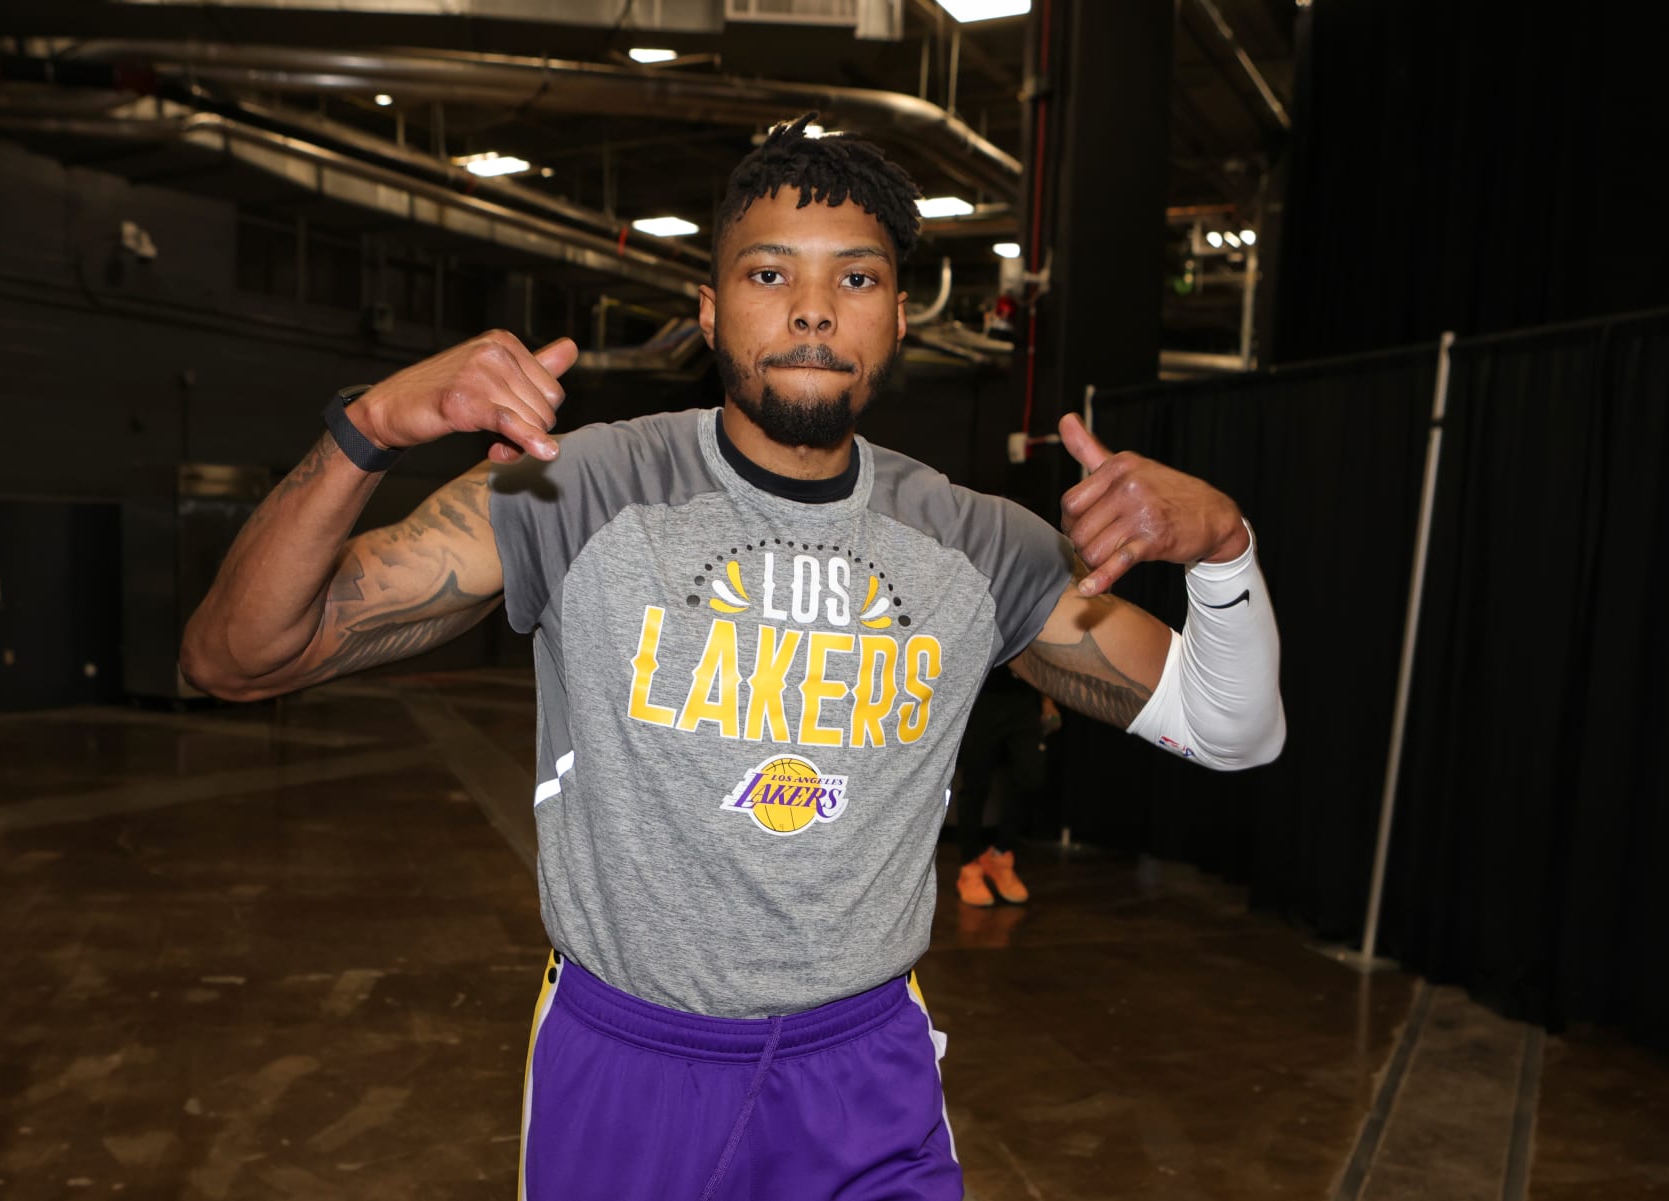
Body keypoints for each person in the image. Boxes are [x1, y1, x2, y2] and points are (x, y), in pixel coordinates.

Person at [180, 113, 1285, 1201]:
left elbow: (1233, 731)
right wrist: (369, 429)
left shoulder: (979, 545)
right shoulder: (572, 488)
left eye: (856, 278)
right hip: (628, 1065)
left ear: (899, 317)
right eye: (768, 273)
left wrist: (1224, 548)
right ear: (710, 311)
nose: (813, 308)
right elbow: (234, 658)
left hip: (868, 1078)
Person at [953, 667, 1059, 907]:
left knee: (1031, 776)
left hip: (1023, 698)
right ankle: (969, 867)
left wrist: (1048, 701)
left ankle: (1000, 854)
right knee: (976, 784)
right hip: (982, 698)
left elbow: (1040, 653)